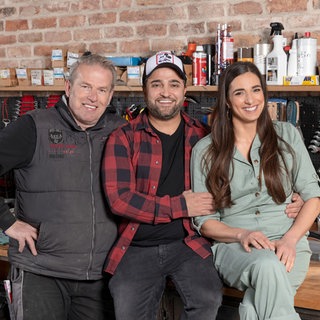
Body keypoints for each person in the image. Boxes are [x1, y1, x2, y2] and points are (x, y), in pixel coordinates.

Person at [0, 53, 126, 320]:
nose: (93, 97)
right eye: (85, 86)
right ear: (68, 87)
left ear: (111, 95)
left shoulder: (121, 132)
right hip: (41, 271)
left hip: (100, 276)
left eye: (101, 89)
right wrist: (7, 222)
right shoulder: (34, 126)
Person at [191, 61, 320, 320]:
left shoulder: (287, 135)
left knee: (251, 308)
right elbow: (205, 223)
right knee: (267, 265)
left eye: (256, 90)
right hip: (235, 249)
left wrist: (291, 239)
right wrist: (242, 234)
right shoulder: (205, 150)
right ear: (226, 101)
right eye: (239, 93)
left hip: (289, 244)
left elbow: (312, 197)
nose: (250, 99)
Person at [101, 51, 223, 320]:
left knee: (209, 299)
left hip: (188, 244)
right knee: (128, 309)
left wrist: (289, 199)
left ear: (184, 90)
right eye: (156, 84)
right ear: (144, 89)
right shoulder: (123, 137)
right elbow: (120, 200)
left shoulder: (203, 136)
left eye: (173, 84)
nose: (165, 92)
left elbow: (233, 181)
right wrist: (181, 204)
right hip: (136, 246)